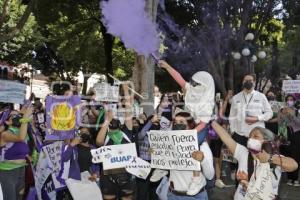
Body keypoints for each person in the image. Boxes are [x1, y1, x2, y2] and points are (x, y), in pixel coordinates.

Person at [158, 60, 215, 195]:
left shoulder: (207, 103)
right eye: (193, 82)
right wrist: (167, 66)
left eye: (197, 84)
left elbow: (203, 123)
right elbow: (179, 78)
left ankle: (196, 179)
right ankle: (163, 167)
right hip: (188, 126)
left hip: (199, 129)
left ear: (205, 86)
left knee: (193, 146)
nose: (193, 85)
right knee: (169, 142)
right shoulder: (190, 90)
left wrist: (190, 134)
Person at [211, 120, 298, 200]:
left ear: (266, 140)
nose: (251, 139)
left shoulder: (274, 157)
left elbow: (294, 165)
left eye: (255, 136)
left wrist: (269, 158)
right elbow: (226, 138)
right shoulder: (243, 152)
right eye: (250, 137)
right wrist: (211, 121)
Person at [96, 83, 135, 200]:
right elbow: (98, 142)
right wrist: (107, 121)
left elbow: (128, 108)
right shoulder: (105, 135)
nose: (114, 119)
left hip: (127, 176)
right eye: (111, 119)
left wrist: (126, 90)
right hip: (109, 177)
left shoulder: (126, 131)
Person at [167, 109, 214, 199]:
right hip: (172, 195)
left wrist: (203, 160)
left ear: (190, 125)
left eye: (181, 122)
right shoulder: (170, 144)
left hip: (194, 197)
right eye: (175, 122)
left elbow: (210, 175)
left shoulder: (202, 145)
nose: (177, 124)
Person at [229, 74, 273, 147]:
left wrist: (257, 118)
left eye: (250, 80)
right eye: (246, 80)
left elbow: (270, 113)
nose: (248, 82)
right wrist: (233, 131)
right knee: (240, 157)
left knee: (255, 157)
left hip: (256, 136)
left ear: (254, 82)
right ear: (243, 82)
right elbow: (232, 116)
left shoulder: (261, 96)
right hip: (239, 135)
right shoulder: (236, 98)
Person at [0, 105, 33, 200]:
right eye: (13, 116)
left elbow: (22, 146)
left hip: (21, 170)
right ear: (7, 121)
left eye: (17, 116)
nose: (17, 117)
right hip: (8, 172)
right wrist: (25, 117)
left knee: (19, 197)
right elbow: (21, 138)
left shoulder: (21, 130)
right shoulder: (5, 134)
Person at [278, 95, 300, 186]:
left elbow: (298, 123)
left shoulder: (297, 111)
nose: (289, 101)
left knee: (296, 156)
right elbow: (280, 123)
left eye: (291, 100)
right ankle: (289, 178)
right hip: (285, 135)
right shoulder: (282, 111)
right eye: (287, 100)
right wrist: (282, 114)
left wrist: (292, 114)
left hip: (296, 135)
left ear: (294, 101)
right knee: (287, 156)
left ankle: (295, 179)